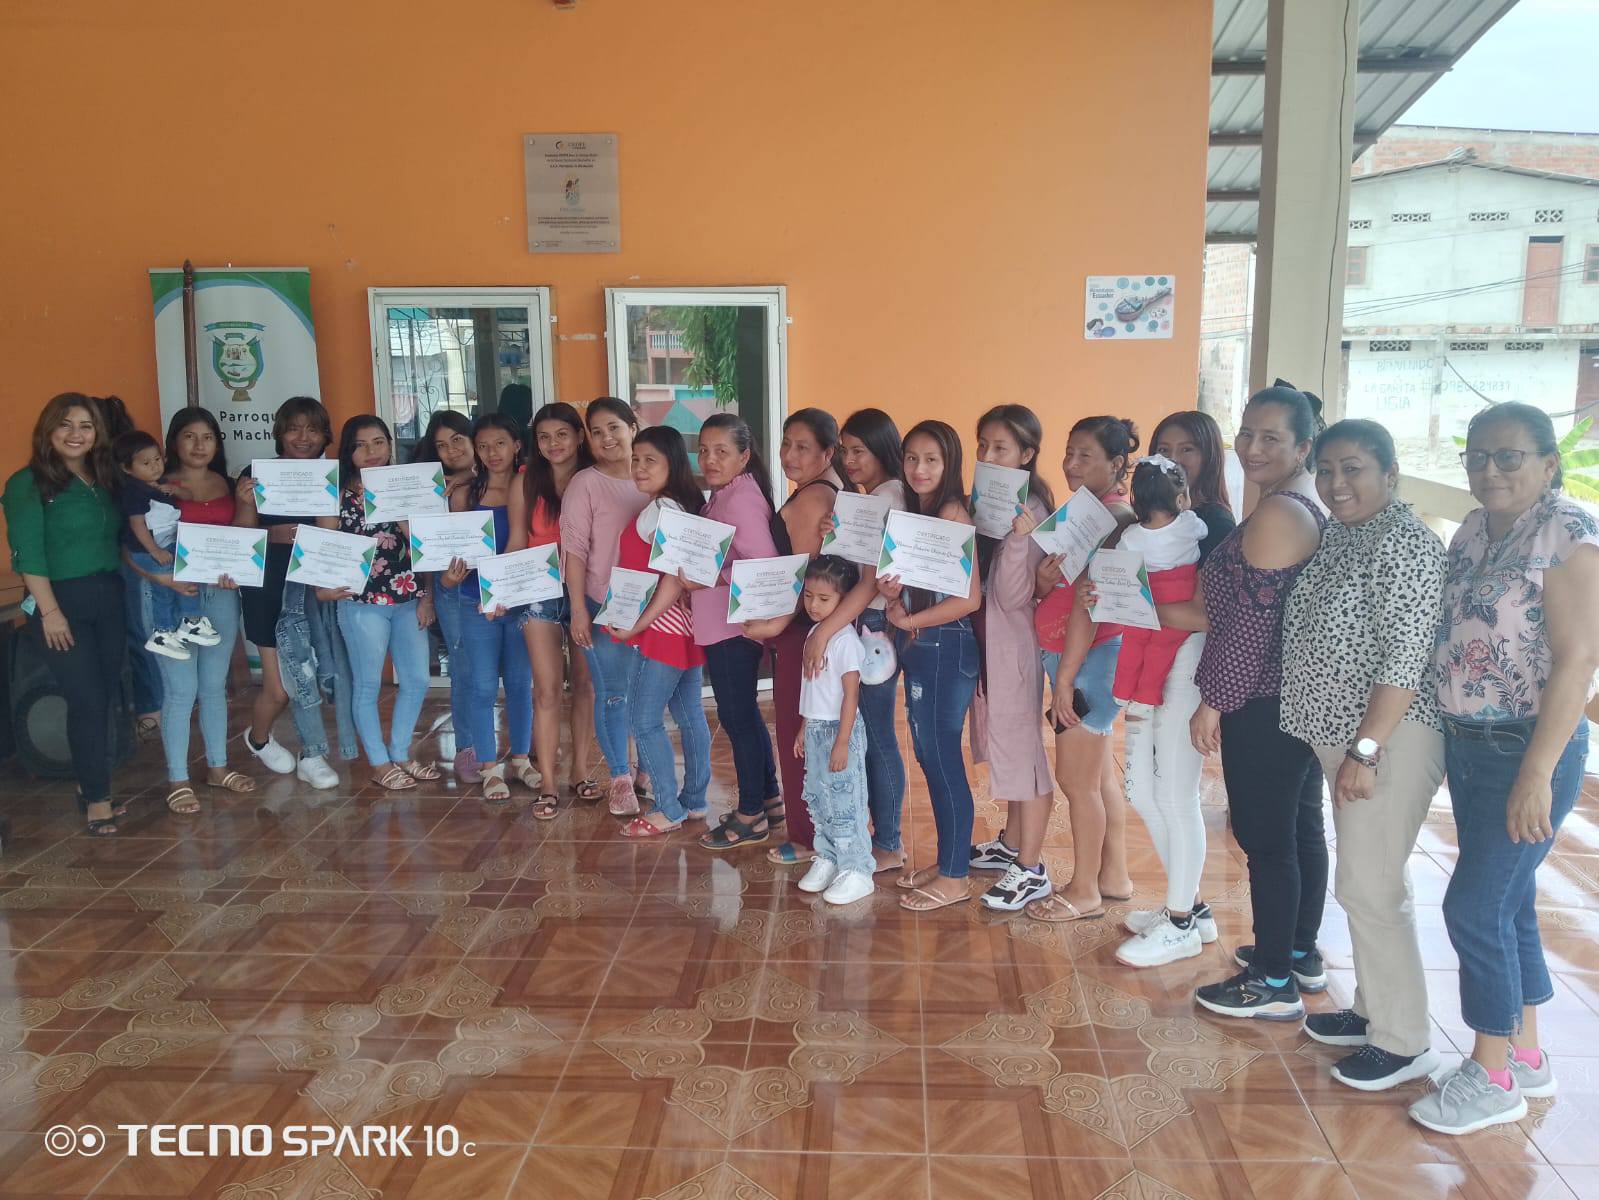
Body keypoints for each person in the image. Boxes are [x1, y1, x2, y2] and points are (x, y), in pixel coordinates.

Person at [1410, 402, 1599, 1135]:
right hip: (1470, 742)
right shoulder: (1473, 528)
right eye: (1477, 456)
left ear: (1548, 463)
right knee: (1509, 901)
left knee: (1473, 906)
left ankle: (1490, 1075)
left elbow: (1577, 661)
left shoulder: (1568, 534)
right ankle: (1524, 1053)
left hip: (1526, 746)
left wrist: (1536, 773)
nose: (1489, 470)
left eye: (1508, 456)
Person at [1278, 418, 1447, 1090]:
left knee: (1368, 886)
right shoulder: (1347, 534)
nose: (1336, 483)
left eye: (1353, 469)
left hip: (1388, 740)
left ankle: (1405, 1043)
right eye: (1326, 471)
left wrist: (1367, 749)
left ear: (1390, 473)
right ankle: (1376, 1009)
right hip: (1345, 737)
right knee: (1374, 880)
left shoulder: (1405, 543)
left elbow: (1405, 656)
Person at [1175, 383, 1328, 1019]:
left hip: (1264, 700)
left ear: (1304, 445)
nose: (1253, 447)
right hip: (1295, 696)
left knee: (1266, 841)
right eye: (1246, 433)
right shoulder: (1299, 500)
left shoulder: (1279, 515)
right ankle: (1295, 951)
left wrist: (1213, 701)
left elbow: (1249, 627)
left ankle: (1272, 982)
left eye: (1271, 437)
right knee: (1298, 828)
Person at [1118, 410, 1237, 954]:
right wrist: (1112, 597)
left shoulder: (1214, 526)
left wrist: (1138, 604)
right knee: (1142, 792)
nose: (1175, 458)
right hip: (1149, 666)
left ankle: (1182, 921)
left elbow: (1211, 615)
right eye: (1164, 448)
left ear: (1208, 456)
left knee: (1174, 794)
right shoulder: (1143, 524)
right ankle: (1190, 906)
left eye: (1187, 449)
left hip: (1189, 667)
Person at [1021, 416, 1139, 923]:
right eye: (1068, 452)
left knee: (1077, 781)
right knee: (1099, 776)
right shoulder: (1087, 512)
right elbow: (1066, 588)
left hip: (1089, 663)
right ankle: (1114, 876)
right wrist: (1044, 582)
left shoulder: (1116, 519)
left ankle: (1085, 889)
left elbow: (1090, 605)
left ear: (1116, 464)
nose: (1070, 464)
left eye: (1084, 456)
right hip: (1078, 659)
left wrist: (1065, 680)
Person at [2, 393, 127, 834]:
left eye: (86, 426)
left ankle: (88, 784)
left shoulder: (104, 477)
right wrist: (51, 613)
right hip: (59, 602)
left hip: (108, 596)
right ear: (48, 429)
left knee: (104, 695)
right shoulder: (27, 483)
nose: (76, 434)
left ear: (97, 434)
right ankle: (97, 799)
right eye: (66, 424)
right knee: (86, 698)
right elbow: (28, 555)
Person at [122, 407, 256, 816]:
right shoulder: (152, 486)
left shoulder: (227, 483)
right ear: (173, 442)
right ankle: (178, 779)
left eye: (208, 437)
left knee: (213, 687)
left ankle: (217, 767)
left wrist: (243, 508)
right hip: (167, 595)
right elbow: (126, 545)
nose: (199, 445)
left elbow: (242, 538)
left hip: (218, 595)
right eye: (189, 436)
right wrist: (158, 578)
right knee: (180, 690)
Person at [804, 408, 910, 872]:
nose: (848, 460)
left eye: (859, 451)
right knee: (873, 734)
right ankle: (877, 836)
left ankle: (888, 842)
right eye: (845, 451)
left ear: (883, 450)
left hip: (870, 629)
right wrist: (836, 535)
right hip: (863, 624)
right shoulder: (872, 499)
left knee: (878, 737)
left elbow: (869, 583)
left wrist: (824, 633)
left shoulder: (887, 498)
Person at [884, 420, 983, 912]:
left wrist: (910, 619)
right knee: (930, 756)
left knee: (941, 759)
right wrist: (892, 596)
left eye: (931, 460)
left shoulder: (951, 512)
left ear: (950, 464)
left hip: (946, 647)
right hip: (926, 647)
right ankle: (948, 861)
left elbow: (968, 598)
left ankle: (955, 877)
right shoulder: (917, 513)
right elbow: (917, 588)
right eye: (911, 458)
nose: (919, 469)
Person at [740, 409, 843, 865]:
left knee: (797, 737)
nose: (789, 455)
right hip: (809, 631)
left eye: (803, 447)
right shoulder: (829, 490)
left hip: (801, 633)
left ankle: (806, 837)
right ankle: (820, 830)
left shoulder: (813, 498)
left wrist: (774, 627)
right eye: (786, 444)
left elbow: (801, 580)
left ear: (828, 452)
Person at [968, 405, 1056, 912]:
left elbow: (1013, 595)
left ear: (1026, 454)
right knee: (1007, 746)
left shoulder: (1032, 513)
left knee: (1025, 756)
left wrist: (1020, 540)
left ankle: (1032, 868)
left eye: (1000, 448)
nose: (987, 455)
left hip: (1014, 650)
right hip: (991, 647)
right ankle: (1012, 842)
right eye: (983, 445)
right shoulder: (987, 506)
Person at [319, 416, 438, 791]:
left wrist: (427, 596)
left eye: (378, 442)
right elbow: (323, 546)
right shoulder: (337, 493)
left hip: (409, 598)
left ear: (390, 445)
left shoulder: (409, 487)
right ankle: (379, 762)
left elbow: (430, 547)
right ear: (348, 451)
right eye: (360, 445)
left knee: (417, 680)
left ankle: (400, 753)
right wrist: (324, 588)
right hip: (361, 601)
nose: (371, 452)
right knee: (368, 684)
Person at [609, 427, 712, 837]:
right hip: (683, 628)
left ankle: (668, 808)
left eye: (650, 460)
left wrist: (638, 624)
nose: (639, 467)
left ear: (673, 463)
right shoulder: (677, 505)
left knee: (644, 719)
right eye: (636, 459)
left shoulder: (663, 510)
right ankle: (694, 800)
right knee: (689, 715)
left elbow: (672, 579)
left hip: (661, 629)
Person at [232, 396, 341, 789]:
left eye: (312, 429)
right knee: (278, 690)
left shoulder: (330, 475)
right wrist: (248, 506)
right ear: (279, 433)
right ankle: (258, 739)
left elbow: (333, 534)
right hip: (266, 584)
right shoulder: (255, 474)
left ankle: (313, 755)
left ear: (325, 435)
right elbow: (243, 537)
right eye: (294, 428)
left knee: (315, 673)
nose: (303, 437)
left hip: (314, 583)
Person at [694, 414, 785, 850]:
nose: (710, 460)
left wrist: (710, 575)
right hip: (724, 624)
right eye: (703, 450)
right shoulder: (728, 494)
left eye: (721, 452)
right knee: (743, 715)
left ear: (744, 457)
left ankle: (751, 815)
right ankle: (769, 799)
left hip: (734, 628)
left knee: (737, 719)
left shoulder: (739, 500)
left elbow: (764, 567)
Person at [508, 401, 597, 817]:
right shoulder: (525, 481)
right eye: (543, 437)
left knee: (584, 684)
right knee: (546, 689)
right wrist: (500, 590)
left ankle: (579, 772)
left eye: (562, 434)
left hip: (587, 588)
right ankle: (547, 782)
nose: (553, 444)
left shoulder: (594, 478)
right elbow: (516, 542)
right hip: (538, 588)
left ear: (579, 436)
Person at [560, 397, 649, 814]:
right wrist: (578, 609)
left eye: (613, 427)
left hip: (655, 606)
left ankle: (647, 770)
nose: (606, 438)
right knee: (613, 693)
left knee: (649, 692)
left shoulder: (653, 475)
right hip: (604, 605)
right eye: (596, 432)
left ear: (633, 427)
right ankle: (619, 777)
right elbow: (574, 551)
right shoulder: (585, 484)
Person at [449, 414, 535, 803]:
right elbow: (450, 551)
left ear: (516, 445)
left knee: (519, 683)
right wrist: (450, 577)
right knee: (482, 686)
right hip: (475, 603)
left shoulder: (530, 486)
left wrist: (501, 591)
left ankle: (521, 759)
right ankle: (488, 766)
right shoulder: (464, 494)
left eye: (500, 443)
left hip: (519, 600)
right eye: (482, 446)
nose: (491, 453)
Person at [792, 554, 875, 906]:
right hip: (816, 730)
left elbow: (850, 696)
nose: (813, 605)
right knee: (820, 795)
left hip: (841, 732)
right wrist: (804, 727)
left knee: (846, 801)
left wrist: (842, 741)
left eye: (824, 599)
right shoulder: (815, 634)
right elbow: (813, 688)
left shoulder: (845, 641)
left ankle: (857, 868)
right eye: (809, 595)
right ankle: (828, 855)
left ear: (844, 600)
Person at [412, 410, 483, 783]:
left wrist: (470, 477)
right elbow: (425, 550)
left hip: (496, 584)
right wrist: (427, 595)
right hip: (450, 588)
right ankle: (466, 749)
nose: (452, 450)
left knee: (512, 670)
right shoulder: (431, 489)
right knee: (463, 669)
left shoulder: (498, 476)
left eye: (457, 439)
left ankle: (522, 749)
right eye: (442, 445)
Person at [1111, 456, 1207, 716]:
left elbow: (1119, 563)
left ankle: (1122, 690)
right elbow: (1204, 533)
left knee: (1133, 642)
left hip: (1144, 593)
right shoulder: (1190, 523)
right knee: (1161, 648)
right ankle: (1146, 695)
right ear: (1180, 500)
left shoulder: (1131, 536)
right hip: (1179, 594)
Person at [113, 430, 219, 661]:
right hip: (147, 550)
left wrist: (176, 489)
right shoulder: (134, 491)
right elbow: (137, 524)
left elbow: (189, 496)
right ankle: (163, 632)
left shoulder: (159, 483)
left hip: (166, 545)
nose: (155, 466)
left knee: (185, 575)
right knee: (165, 587)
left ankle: (189, 621)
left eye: (157, 459)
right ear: (127, 468)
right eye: (146, 463)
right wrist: (154, 551)